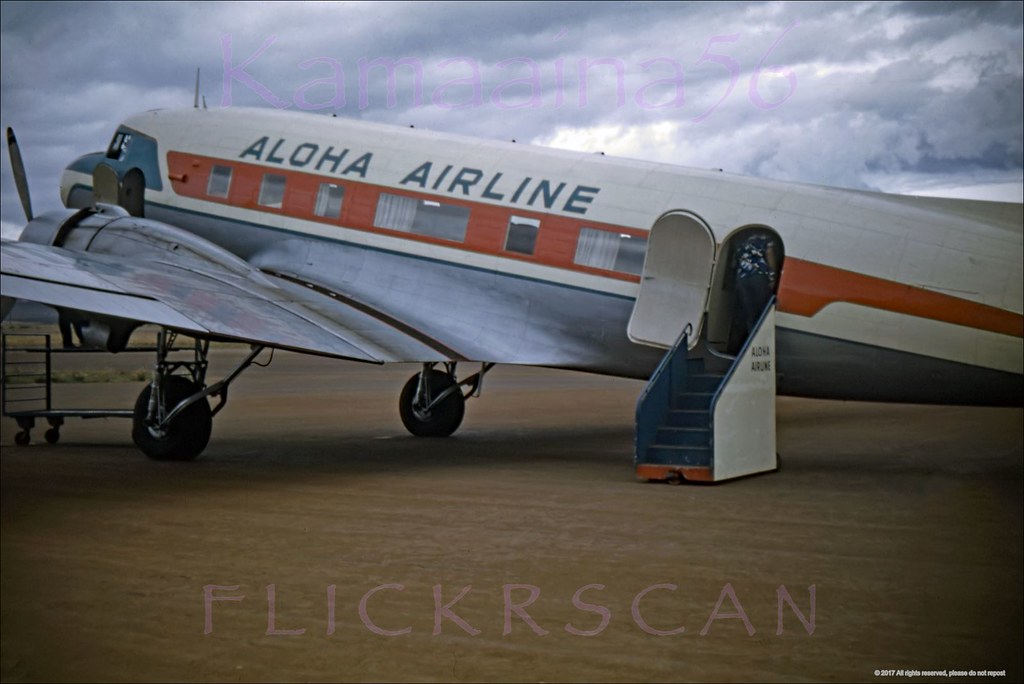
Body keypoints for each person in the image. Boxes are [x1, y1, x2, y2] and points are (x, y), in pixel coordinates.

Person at [730, 234, 778, 353]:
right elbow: (769, 254)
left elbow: (733, 263)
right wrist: (772, 277)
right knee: (761, 313)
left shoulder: (741, 241)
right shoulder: (765, 238)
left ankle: (745, 347)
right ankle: (758, 346)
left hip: (741, 279)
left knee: (748, 313)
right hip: (758, 277)